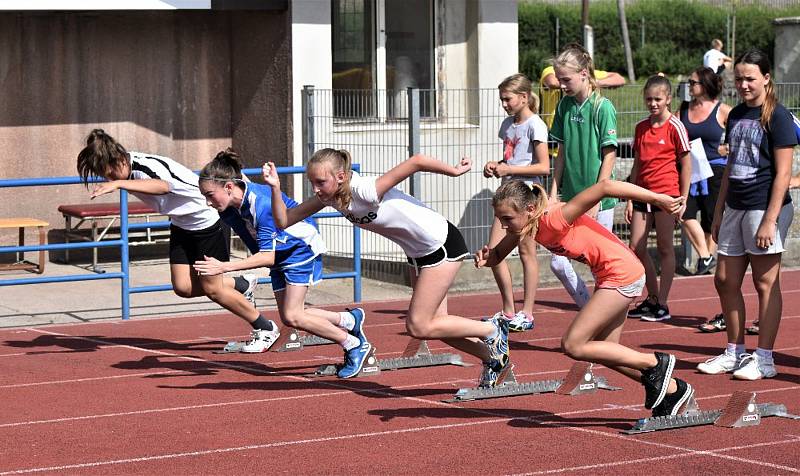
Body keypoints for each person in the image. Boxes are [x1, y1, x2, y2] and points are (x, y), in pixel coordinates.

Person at [263, 150, 511, 388]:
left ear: (341, 177)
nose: (315, 189)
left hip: (442, 244)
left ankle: (491, 329)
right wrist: (275, 187)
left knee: (419, 326)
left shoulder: (366, 190)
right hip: (419, 253)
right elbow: (283, 220)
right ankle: (494, 359)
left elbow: (417, 161)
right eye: (312, 182)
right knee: (438, 326)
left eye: (320, 182)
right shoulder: (331, 198)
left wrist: (454, 171)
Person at [476, 178, 692, 418]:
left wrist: (658, 198)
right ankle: (673, 389)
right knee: (606, 352)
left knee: (573, 344)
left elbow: (605, 187)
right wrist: (486, 258)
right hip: (610, 275)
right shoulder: (527, 225)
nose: (504, 226)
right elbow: (496, 256)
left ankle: (656, 363)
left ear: (529, 209)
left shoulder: (554, 217)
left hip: (622, 274)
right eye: (501, 220)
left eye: (507, 219)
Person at [76, 130, 277, 353]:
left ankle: (265, 327)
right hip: (182, 225)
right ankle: (241, 284)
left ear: (119, 159)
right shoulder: (125, 169)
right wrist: (119, 182)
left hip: (206, 222)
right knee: (182, 287)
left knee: (214, 291)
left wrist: (119, 185)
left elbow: (164, 186)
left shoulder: (145, 167)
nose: (110, 180)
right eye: (107, 177)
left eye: (111, 174)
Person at [194, 149, 372, 378]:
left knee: (294, 316)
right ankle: (349, 319)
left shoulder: (262, 206)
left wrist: (223, 267)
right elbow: (241, 184)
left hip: (299, 249)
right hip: (279, 255)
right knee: (290, 316)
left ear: (228, 187)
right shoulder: (232, 202)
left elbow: (266, 256)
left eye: (210, 195)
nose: (208, 202)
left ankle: (353, 344)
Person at [697, 49, 797, 380]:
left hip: (764, 207)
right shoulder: (737, 114)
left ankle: (765, 358)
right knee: (724, 278)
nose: (743, 84)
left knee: (765, 282)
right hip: (735, 207)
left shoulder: (778, 117)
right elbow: (728, 169)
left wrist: (770, 219)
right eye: (738, 78)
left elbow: (783, 174)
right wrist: (718, 211)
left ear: (766, 78)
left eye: (750, 78)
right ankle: (734, 351)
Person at [548, 43, 620, 309]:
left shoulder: (602, 107)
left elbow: (610, 154)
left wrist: (598, 198)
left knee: (600, 266)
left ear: (583, 73)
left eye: (566, 79)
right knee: (558, 260)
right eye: (559, 80)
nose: (562, 85)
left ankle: (604, 315)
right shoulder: (565, 105)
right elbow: (562, 152)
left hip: (598, 200)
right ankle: (589, 307)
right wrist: (554, 192)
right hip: (572, 197)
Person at [482, 73, 549, 332]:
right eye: (502, 100)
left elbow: (542, 166)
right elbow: (509, 158)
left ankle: (528, 312)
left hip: (527, 196)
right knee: (493, 252)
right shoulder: (507, 125)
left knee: (526, 252)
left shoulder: (536, 125)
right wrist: (496, 167)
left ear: (523, 97)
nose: (504, 104)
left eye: (507, 99)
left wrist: (508, 168)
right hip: (507, 195)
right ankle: (508, 310)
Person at [625, 75, 691, 322]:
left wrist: (682, 198)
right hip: (642, 193)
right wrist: (630, 197)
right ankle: (651, 298)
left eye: (658, 99)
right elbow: (637, 164)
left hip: (666, 195)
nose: (653, 104)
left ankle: (662, 303)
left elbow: (686, 163)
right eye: (649, 99)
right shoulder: (641, 127)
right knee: (636, 248)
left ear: (668, 99)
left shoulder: (675, 126)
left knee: (664, 247)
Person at [681, 67, 732, 282]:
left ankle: (707, 262)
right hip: (689, 171)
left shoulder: (723, 111)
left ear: (705, 85)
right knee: (683, 213)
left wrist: (727, 147)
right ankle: (706, 255)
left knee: (711, 220)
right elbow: (673, 130)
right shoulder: (683, 108)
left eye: (693, 83)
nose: (689, 86)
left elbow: (740, 135)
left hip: (715, 171)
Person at [539, 61, 626, 130]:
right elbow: (552, 82)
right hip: (553, 135)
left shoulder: (586, 73)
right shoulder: (552, 69)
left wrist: (593, 82)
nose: (562, 85)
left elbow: (620, 79)